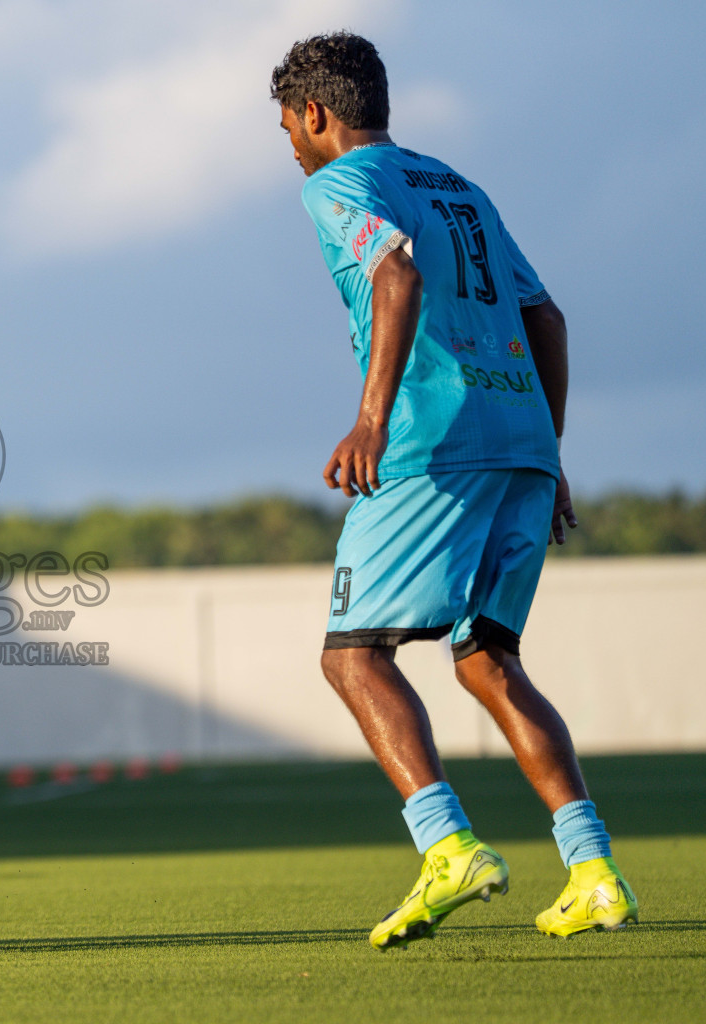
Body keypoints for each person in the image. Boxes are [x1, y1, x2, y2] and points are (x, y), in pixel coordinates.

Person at [270, 33, 637, 948]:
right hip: (521, 440)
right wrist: (549, 457)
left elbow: (395, 270)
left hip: (433, 442)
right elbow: (543, 313)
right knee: (486, 659)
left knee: (352, 656)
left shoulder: (336, 185)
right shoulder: (458, 186)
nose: (287, 143)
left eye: (286, 123)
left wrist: (371, 420)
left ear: (316, 114)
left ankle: (448, 846)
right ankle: (593, 871)